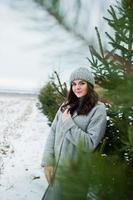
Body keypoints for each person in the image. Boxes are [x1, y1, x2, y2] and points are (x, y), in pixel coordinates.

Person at [41, 67, 107, 200]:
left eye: (82, 83)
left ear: (89, 85)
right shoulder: (66, 106)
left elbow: (89, 144)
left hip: (75, 174)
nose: (77, 87)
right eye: (74, 84)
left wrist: (68, 122)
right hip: (57, 170)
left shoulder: (98, 110)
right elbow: (53, 133)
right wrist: (48, 161)